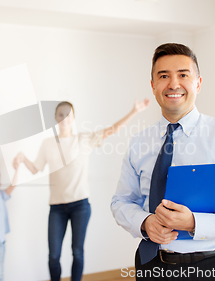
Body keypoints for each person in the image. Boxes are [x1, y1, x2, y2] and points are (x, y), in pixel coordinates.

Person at [111, 43, 215, 280]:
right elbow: (121, 202)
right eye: (163, 76)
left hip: (211, 267)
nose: (173, 84)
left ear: (198, 83)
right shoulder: (139, 142)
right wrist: (145, 222)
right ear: (153, 86)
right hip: (150, 265)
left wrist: (195, 223)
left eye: (183, 75)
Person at [13, 99, 150, 281]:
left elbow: (112, 129)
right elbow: (35, 168)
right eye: (60, 114)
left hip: (80, 206)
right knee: (53, 255)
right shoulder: (48, 143)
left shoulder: (84, 139)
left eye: (67, 114)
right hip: (56, 207)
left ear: (73, 117)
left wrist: (134, 111)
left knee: (77, 252)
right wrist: (22, 159)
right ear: (55, 118)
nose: (64, 118)